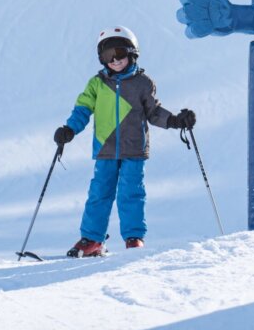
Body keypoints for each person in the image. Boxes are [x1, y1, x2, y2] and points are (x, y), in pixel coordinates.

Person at [53, 26, 196, 256]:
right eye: (108, 55)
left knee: (131, 193)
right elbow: (82, 109)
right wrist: (69, 129)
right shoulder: (96, 84)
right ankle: (92, 239)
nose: (115, 60)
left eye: (120, 53)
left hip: (134, 149)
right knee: (100, 192)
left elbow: (154, 112)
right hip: (105, 149)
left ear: (132, 53)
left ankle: (133, 238)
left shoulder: (142, 83)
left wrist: (177, 121)